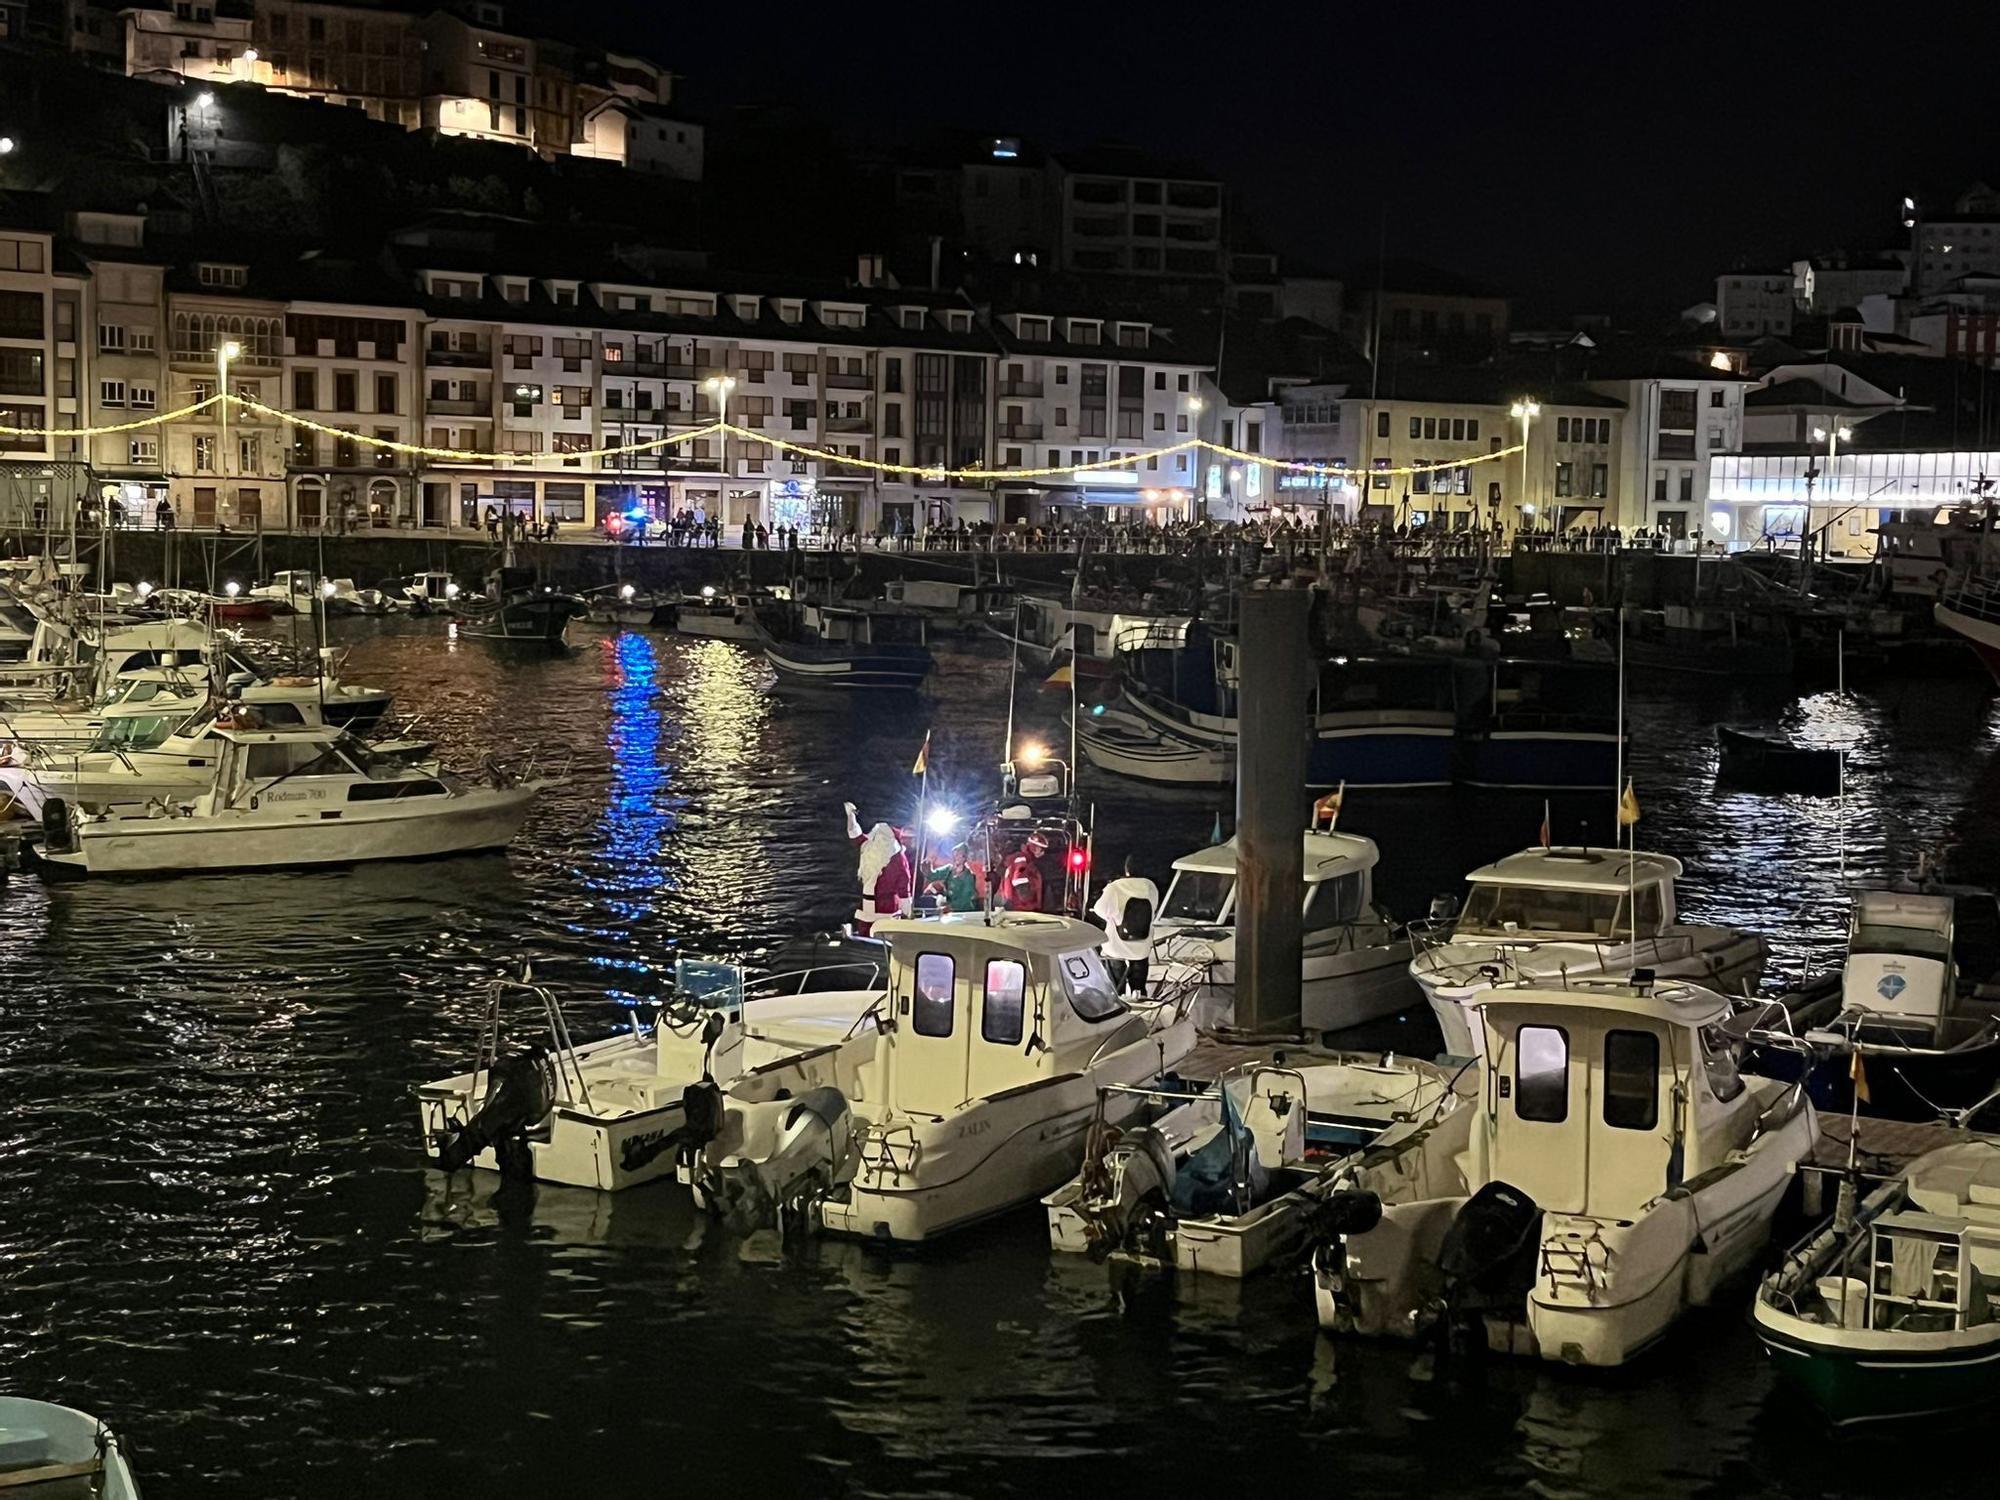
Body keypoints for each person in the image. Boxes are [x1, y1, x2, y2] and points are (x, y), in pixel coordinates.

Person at [1091, 857, 1161, 997]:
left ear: (1127, 870)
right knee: (1139, 986)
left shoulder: (1115, 887)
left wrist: (1112, 917)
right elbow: (1153, 909)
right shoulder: (1150, 886)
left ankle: (1117, 999)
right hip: (1141, 948)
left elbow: (1099, 909)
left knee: (1115, 988)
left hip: (1117, 947)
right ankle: (1140, 996)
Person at [845, 802, 912, 935]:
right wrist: (908, 914)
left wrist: (851, 815)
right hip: (881, 912)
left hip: (878, 912)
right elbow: (904, 890)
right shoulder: (896, 858)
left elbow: (854, 833)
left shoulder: (870, 849)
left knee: (871, 940)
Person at [924, 842, 985, 914]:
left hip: (965, 912)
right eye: (955, 854)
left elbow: (965, 899)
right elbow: (933, 876)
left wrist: (950, 907)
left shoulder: (969, 877)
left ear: (964, 857)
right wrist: (927, 869)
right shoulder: (948, 870)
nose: (956, 857)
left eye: (959, 855)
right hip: (950, 911)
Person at [998, 832, 1049, 913]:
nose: (1043, 852)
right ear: (1034, 847)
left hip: (1021, 907)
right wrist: (1028, 900)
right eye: (1041, 849)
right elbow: (1020, 880)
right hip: (1021, 908)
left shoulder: (1026, 860)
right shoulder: (1022, 860)